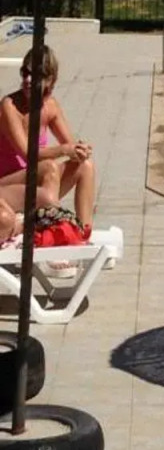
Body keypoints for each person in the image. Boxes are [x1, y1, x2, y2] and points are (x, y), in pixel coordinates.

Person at [0, 47, 96, 277]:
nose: (27, 80)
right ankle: (49, 241)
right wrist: (64, 150)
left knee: (85, 167)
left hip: (36, 189)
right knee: (48, 167)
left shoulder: (50, 106)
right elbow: (27, 153)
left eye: (36, 75)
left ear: (50, 80)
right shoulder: (9, 106)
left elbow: (70, 144)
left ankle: (82, 237)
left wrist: (80, 150)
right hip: (6, 186)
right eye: (25, 73)